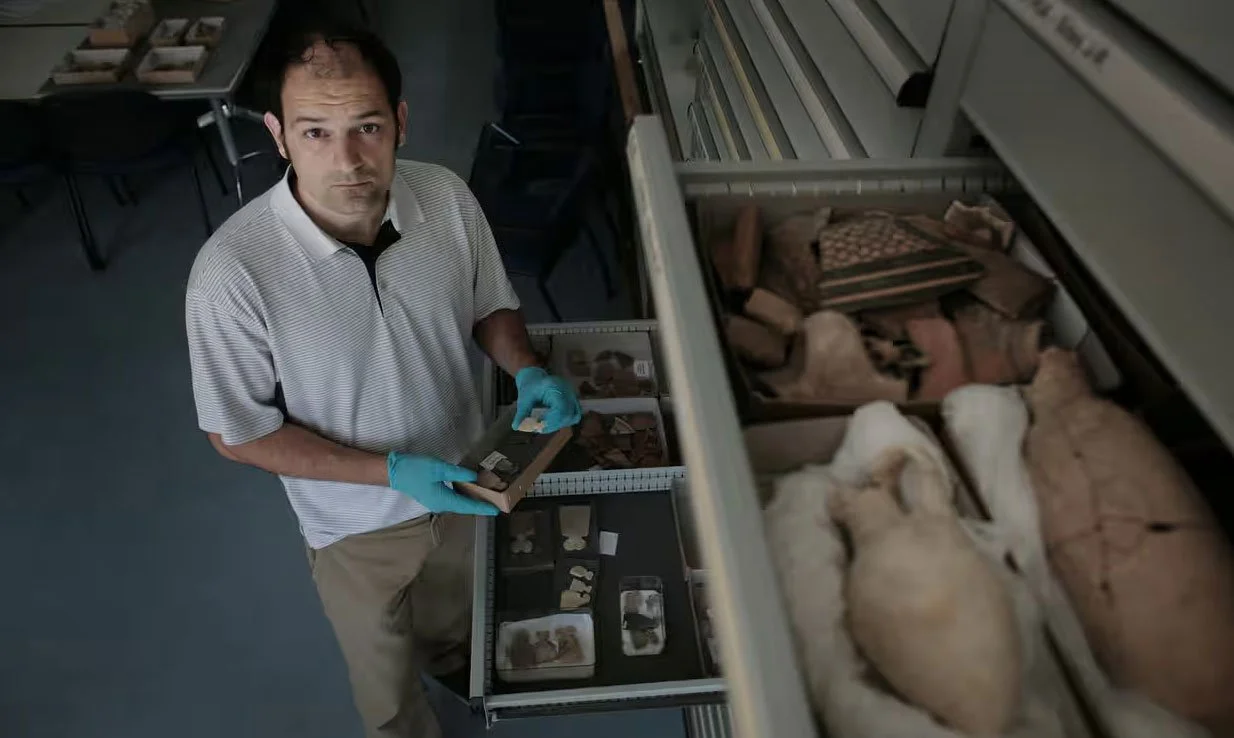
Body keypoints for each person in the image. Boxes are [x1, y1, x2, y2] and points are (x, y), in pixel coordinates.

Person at [184, 20, 582, 738]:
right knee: (389, 700)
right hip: (352, 531)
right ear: (278, 135)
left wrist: (526, 369)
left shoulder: (446, 198)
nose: (346, 161)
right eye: (314, 132)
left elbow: (488, 304)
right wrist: (389, 472)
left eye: (366, 127)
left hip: (467, 479)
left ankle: (459, 673)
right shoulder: (231, 273)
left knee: (457, 631)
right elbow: (237, 432)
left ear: (400, 120)